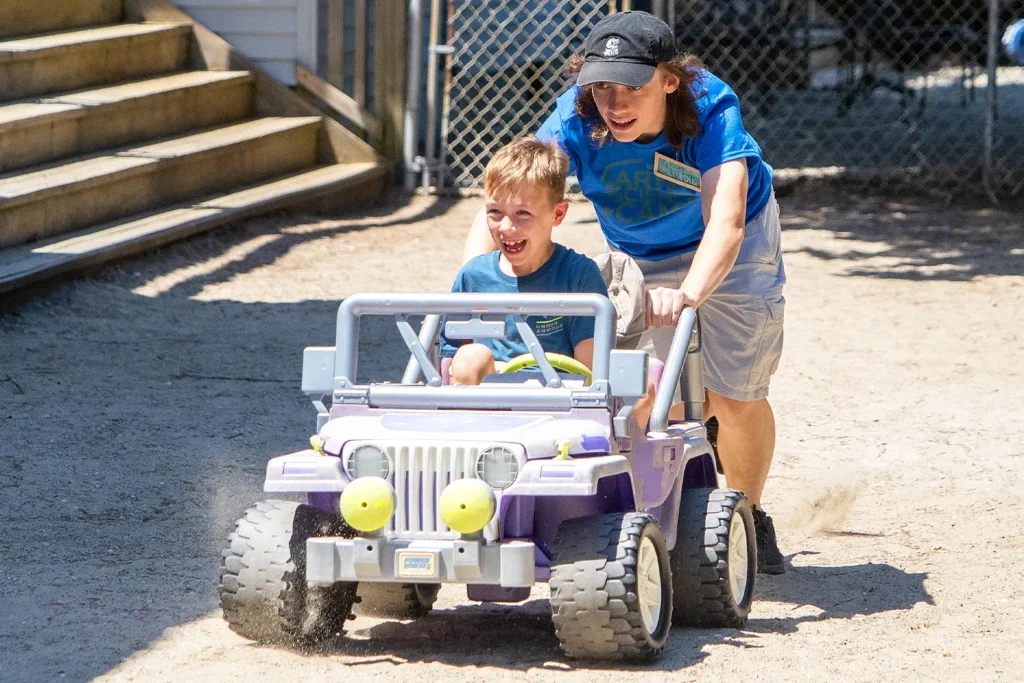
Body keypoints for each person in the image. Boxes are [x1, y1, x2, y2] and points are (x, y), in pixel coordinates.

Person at [461, 11, 787, 574]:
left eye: (631, 85)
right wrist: (474, 288)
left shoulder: (710, 107)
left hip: (731, 248)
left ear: (669, 80)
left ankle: (749, 516)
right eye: (602, 85)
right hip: (641, 254)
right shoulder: (575, 116)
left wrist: (687, 294)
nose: (614, 103)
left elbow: (727, 222)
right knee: (662, 402)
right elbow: (512, 189)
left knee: (734, 395)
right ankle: (675, 513)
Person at [441, 136, 608, 384]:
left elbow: (589, 375)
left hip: (558, 406)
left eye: (523, 213)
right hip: (485, 407)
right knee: (470, 358)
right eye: (495, 212)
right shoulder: (473, 277)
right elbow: (452, 367)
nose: (507, 228)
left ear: (558, 213)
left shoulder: (579, 276)